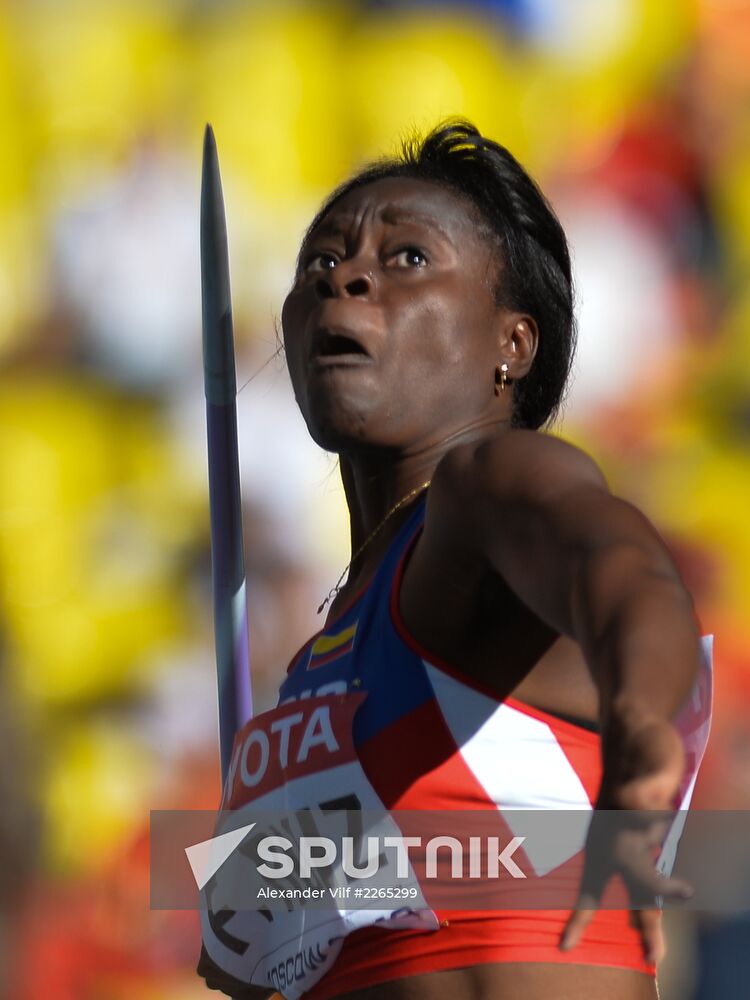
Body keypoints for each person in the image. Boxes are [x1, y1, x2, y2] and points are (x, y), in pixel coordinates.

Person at [197, 120, 712, 1000]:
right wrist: (249, 916)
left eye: (408, 258)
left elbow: (621, 569)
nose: (343, 276)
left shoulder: (487, 490)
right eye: (321, 259)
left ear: (513, 345)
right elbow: (373, 904)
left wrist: (640, 717)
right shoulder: (323, 653)